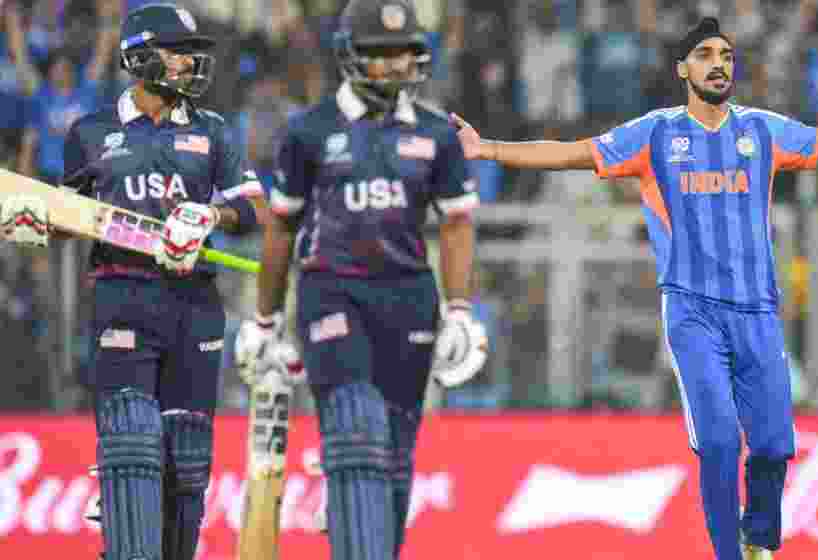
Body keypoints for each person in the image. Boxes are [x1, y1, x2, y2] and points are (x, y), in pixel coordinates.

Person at [451, 16, 818, 560]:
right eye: (706, 54)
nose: (718, 64)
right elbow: (571, 151)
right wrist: (488, 149)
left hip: (757, 312)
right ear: (682, 68)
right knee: (716, 443)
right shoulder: (656, 133)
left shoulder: (761, 130)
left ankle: (759, 542)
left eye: (727, 56)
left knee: (775, 448)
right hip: (692, 311)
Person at [0, 4, 265, 560]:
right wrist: (27, 224)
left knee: (188, 461)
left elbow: (254, 207)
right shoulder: (92, 132)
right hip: (124, 297)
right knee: (131, 444)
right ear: (141, 56)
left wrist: (210, 217)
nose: (191, 63)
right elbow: (65, 220)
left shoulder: (213, 130)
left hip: (195, 301)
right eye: (178, 52)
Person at [234, 1, 487, 559]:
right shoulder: (309, 130)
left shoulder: (436, 134)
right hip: (331, 293)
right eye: (380, 54)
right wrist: (264, 320)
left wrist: (461, 310)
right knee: (356, 435)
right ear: (351, 56)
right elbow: (281, 228)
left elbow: (457, 222)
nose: (396, 65)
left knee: (394, 459)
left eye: (404, 53)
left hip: (410, 301)